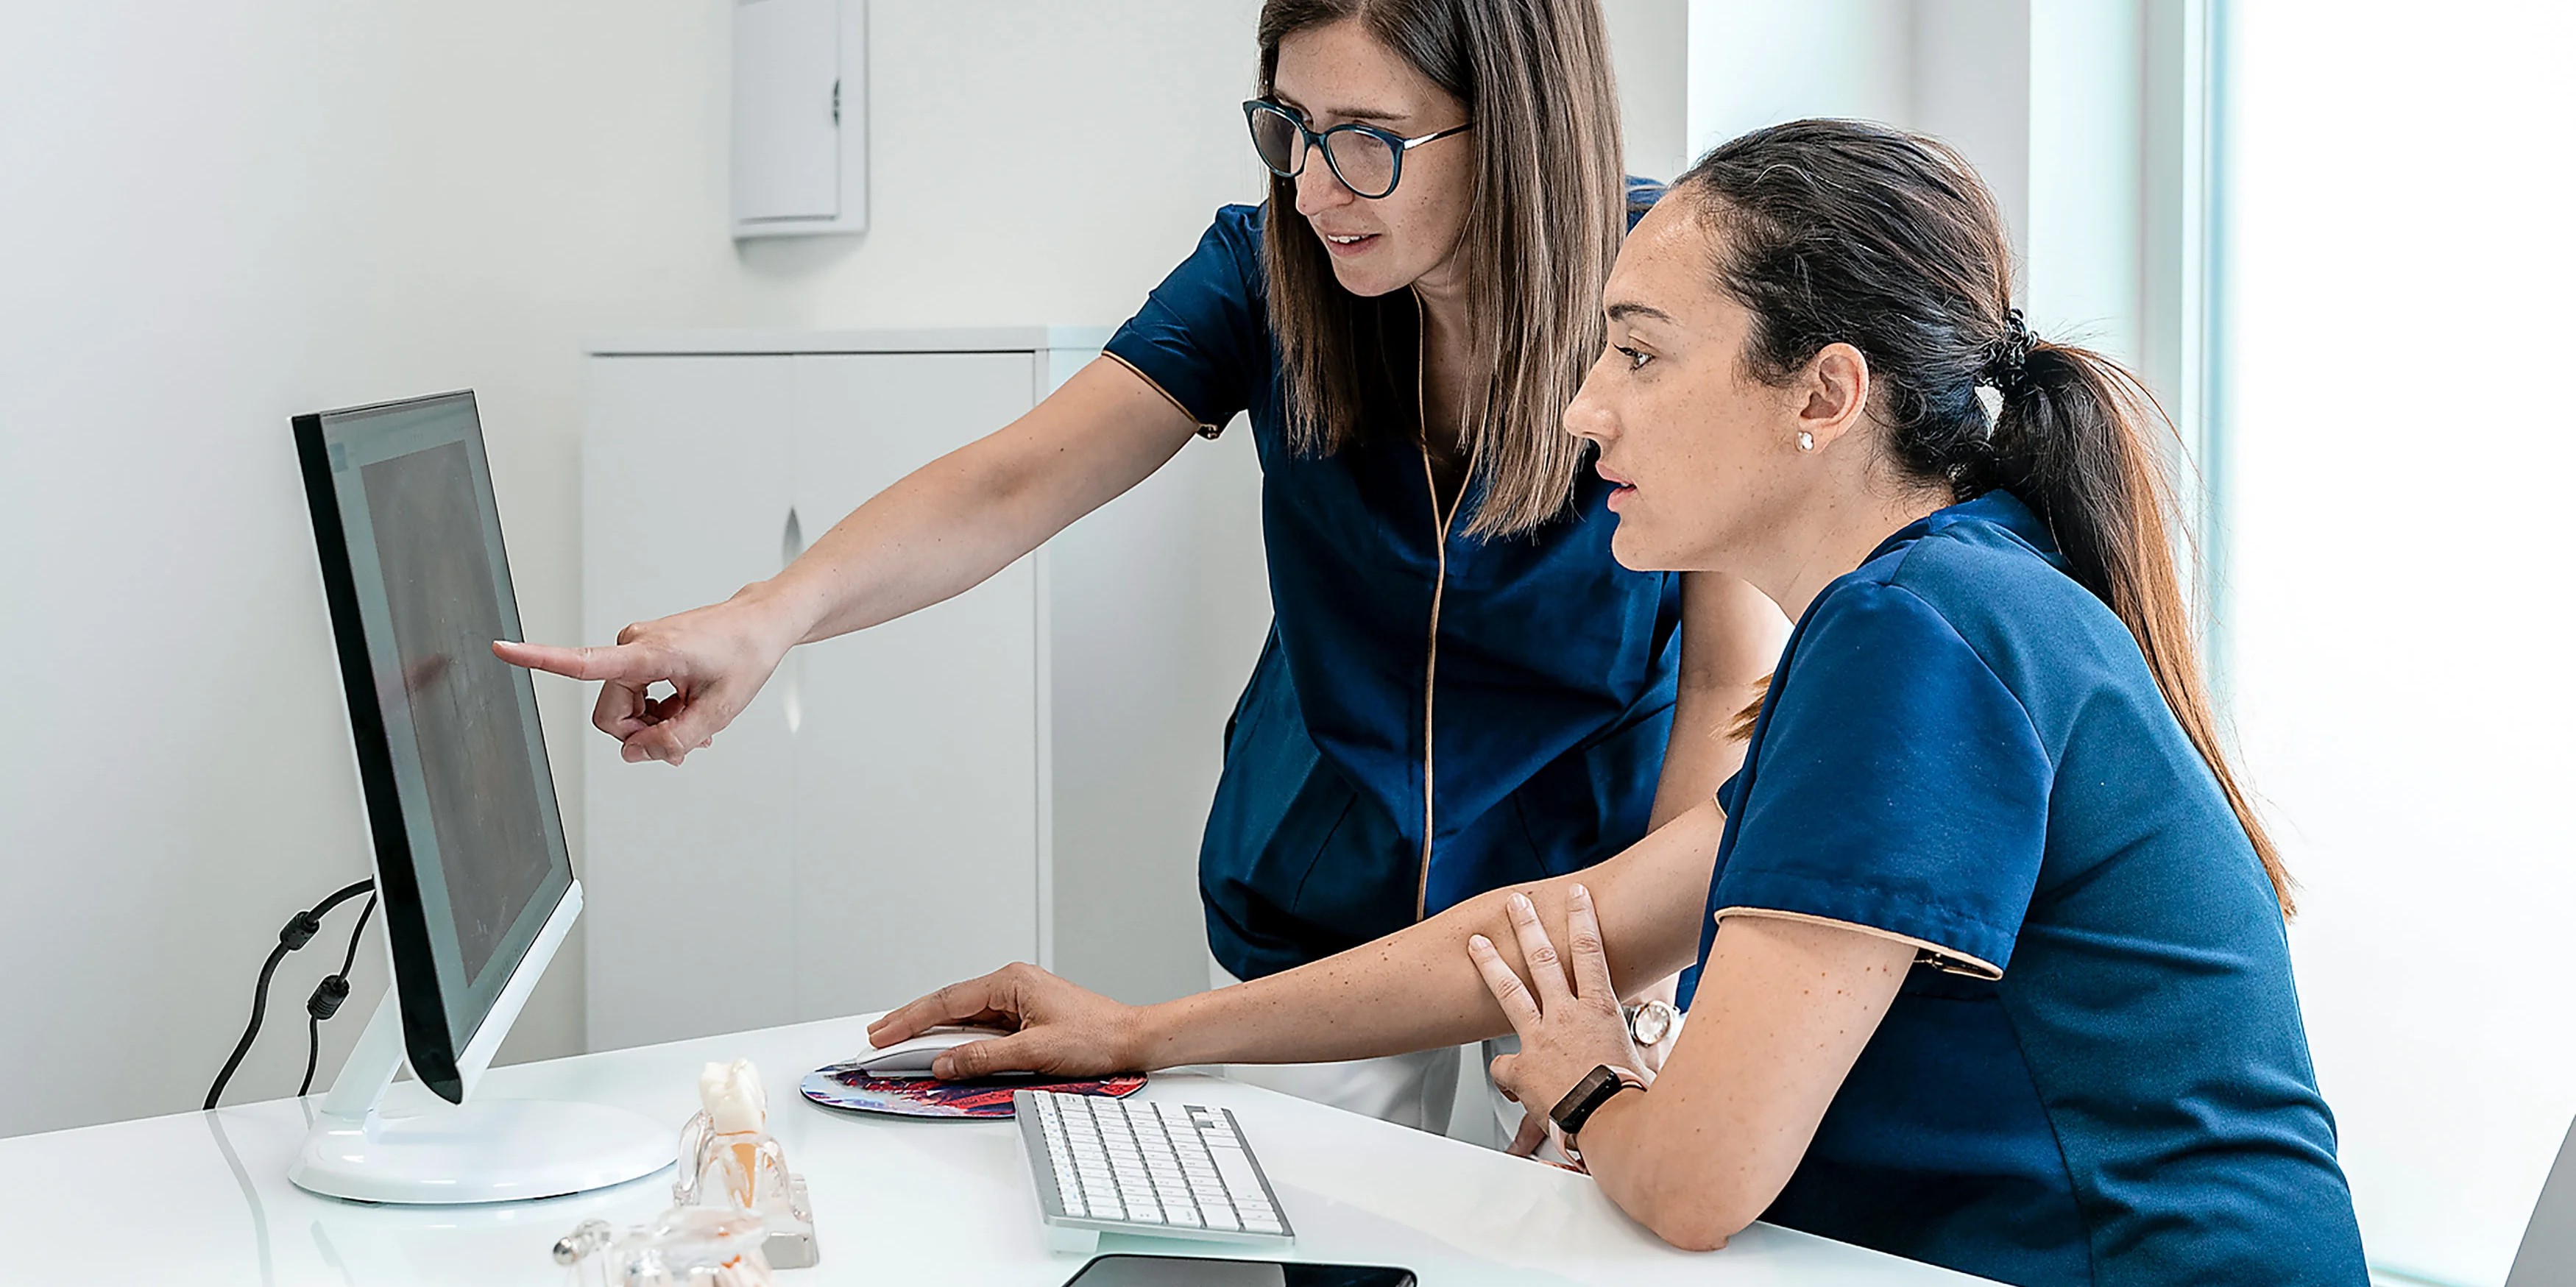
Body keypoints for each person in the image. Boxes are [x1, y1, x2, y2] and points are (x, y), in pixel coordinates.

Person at [863, 119, 2371, 1285]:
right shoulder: (1938, 603)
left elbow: (1696, 1180)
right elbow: (1571, 924)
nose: (1584, 407)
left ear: (1824, 395)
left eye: (1639, 354)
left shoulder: (1919, 632)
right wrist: (1140, 1029)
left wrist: (1587, 1077)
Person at [497, 0, 1780, 1137]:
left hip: (1582, 896)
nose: (1316, 190)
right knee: (1329, 1248)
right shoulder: (1269, 271)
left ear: (1513, 127)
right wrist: (768, 618)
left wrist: (1643, 979)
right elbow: (1013, 481)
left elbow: (1734, 668)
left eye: (1368, 140)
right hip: (1320, 874)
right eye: (1291, 128)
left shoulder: (1664, 296)